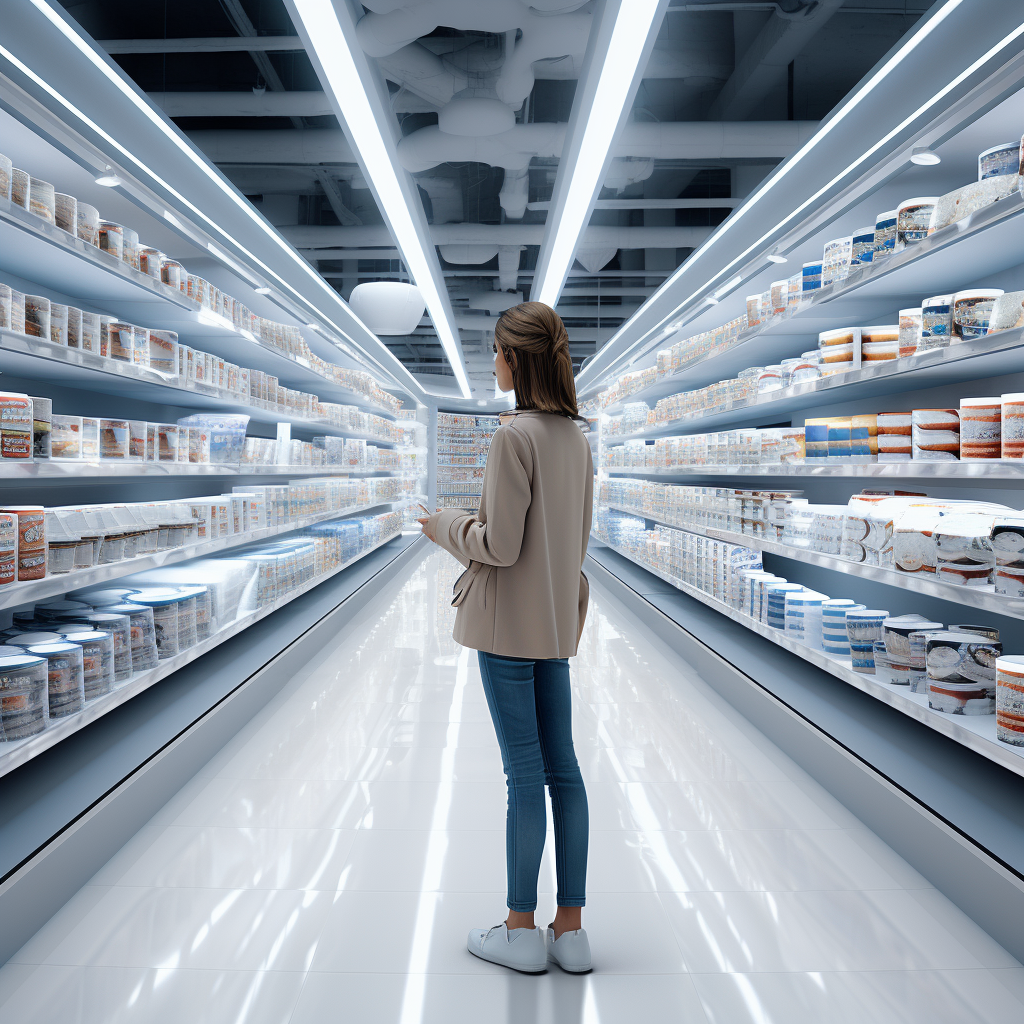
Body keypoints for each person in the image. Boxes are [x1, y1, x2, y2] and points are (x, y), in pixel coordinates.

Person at [418, 301, 594, 974]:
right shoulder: (575, 438)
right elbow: (565, 539)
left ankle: (520, 928)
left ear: (514, 360)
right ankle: (570, 930)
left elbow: (498, 544)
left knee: (523, 775)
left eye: (495, 351)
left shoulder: (513, 437)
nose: (491, 362)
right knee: (564, 772)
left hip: (507, 629)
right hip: (553, 624)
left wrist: (447, 527)